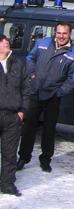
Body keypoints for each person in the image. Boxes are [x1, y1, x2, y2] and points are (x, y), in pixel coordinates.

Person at [17, 22, 74, 172]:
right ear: (55, 33)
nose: (61, 36)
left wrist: (59, 92)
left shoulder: (73, 54)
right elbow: (30, 59)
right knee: (28, 128)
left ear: (69, 34)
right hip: (35, 92)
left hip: (53, 96)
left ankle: (46, 159)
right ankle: (23, 157)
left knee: (49, 129)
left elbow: (73, 78)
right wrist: (32, 75)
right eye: (59, 33)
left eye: (64, 33)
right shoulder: (43, 43)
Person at [0, 34, 29, 196]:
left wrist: (22, 111)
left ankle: (7, 184)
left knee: (10, 153)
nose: (6, 43)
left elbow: (26, 89)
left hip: (13, 117)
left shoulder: (18, 64)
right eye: (2, 41)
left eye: (7, 41)